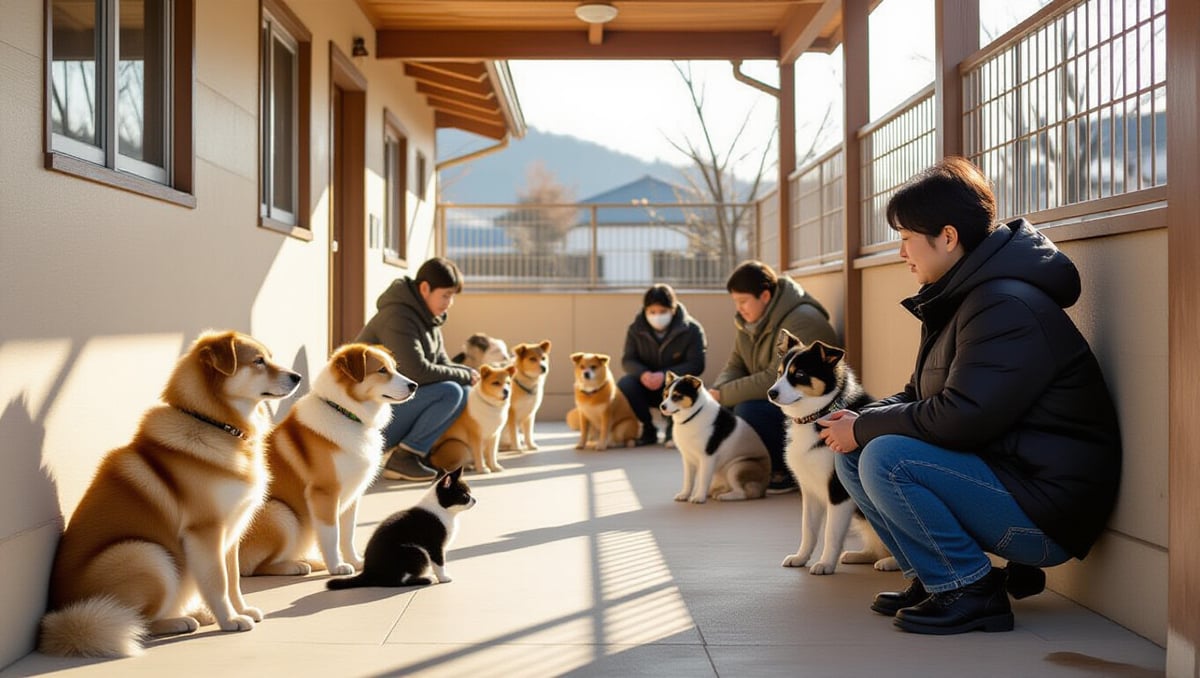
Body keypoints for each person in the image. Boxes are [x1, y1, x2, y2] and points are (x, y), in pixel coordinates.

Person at [820, 157, 1122, 635]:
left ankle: (969, 589)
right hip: (1010, 483)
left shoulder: (1004, 305)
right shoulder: (966, 296)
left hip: (1045, 514)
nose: (901, 253)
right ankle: (934, 579)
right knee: (853, 456)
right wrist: (853, 420)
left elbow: (964, 417)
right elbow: (922, 395)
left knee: (884, 457)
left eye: (905, 238)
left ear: (947, 237)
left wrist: (866, 428)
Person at [709, 260, 840, 493]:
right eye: (735, 302)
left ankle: (783, 472)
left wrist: (723, 394)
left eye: (743, 301)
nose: (739, 308)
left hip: (813, 410)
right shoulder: (750, 322)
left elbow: (775, 377)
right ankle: (738, 473)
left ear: (765, 296)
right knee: (722, 409)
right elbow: (735, 364)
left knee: (747, 410)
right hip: (785, 402)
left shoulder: (801, 320)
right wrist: (717, 391)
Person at [355, 257, 479, 482]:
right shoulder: (398, 317)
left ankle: (418, 455)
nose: (449, 303)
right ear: (425, 288)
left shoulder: (428, 319)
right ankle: (405, 457)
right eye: (445, 295)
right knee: (450, 391)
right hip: (367, 418)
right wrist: (464, 374)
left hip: (393, 407)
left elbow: (443, 364)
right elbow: (417, 372)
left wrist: (468, 374)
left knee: (463, 389)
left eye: (452, 296)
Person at [617, 283, 707, 446]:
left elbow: (696, 364)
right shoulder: (635, 329)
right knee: (626, 384)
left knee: (682, 389)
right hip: (646, 386)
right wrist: (643, 373)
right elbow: (628, 360)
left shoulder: (692, 330)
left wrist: (665, 375)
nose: (657, 316)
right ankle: (648, 429)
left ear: (673, 310)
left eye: (663, 311)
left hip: (674, 387)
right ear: (645, 311)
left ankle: (672, 430)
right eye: (652, 312)